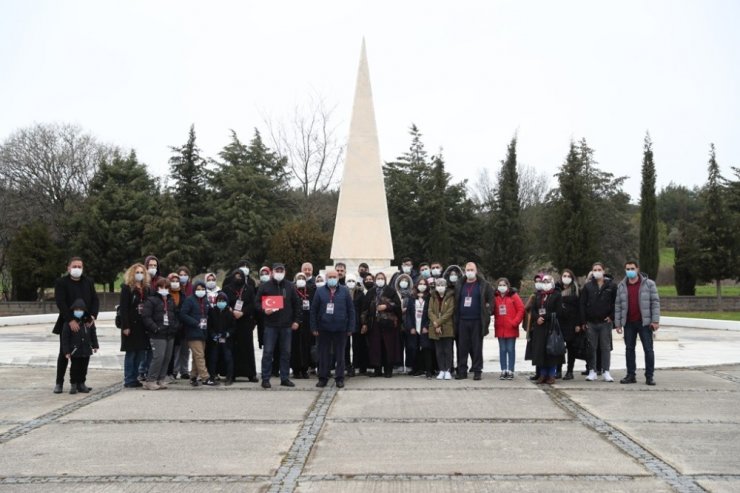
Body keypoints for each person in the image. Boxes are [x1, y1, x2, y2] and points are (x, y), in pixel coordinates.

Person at [53, 257, 100, 394]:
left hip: (85, 322)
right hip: (67, 322)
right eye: (74, 266)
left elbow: (95, 300)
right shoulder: (61, 282)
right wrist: (70, 320)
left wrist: (92, 316)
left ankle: (80, 382)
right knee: (64, 352)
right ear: (68, 268)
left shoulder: (88, 282)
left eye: (80, 266)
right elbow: (60, 302)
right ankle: (59, 382)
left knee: (84, 354)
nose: (77, 269)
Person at [255, 263, 302, 388]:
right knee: (268, 352)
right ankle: (265, 378)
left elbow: (297, 304)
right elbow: (257, 303)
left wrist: (296, 320)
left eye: (281, 270)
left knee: (286, 353)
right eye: (277, 270)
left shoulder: (290, 286)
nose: (279, 272)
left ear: (285, 272)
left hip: (286, 325)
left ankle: (285, 378)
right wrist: (264, 310)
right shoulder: (265, 286)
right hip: (270, 325)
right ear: (272, 272)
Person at [615, 260, 660, 386]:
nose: (630, 271)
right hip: (629, 323)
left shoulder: (649, 284)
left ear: (638, 269)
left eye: (632, 268)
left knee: (648, 350)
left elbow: (655, 303)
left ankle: (649, 376)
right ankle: (630, 375)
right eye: (627, 269)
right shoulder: (621, 286)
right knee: (629, 349)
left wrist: (655, 320)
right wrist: (618, 323)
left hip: (645, 323)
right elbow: (618, 305)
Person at [311, 269, 356, 388]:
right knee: (323, 355)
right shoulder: (319, 291)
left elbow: (351, 310)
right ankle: (323, 378)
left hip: (341, 328)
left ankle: (340, 378)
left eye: (334, 277)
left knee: (340, 355)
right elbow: (314, 310)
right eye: (330, 277)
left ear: (338, 278)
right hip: (323, 328)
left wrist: (351, 327)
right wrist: (314, 327)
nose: (332, 279)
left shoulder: (345, 291)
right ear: (326, 278)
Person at [454, 262, 494, 380]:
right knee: (462, 347)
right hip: (462, 321)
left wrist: (488, 311)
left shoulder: (484, 285)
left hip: (477, 321)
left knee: (477, 347)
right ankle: (462, 371)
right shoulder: (459, 284)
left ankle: (477, 370)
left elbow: (491, 300)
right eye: (467, 269)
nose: (469, 272)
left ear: (476, 271)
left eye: (472, 269)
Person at [580, 262, 617, 382]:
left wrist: (612, 316)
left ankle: (606, 371)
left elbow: (616, 303)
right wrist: (583, 320)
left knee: (605, 347)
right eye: (594, 269)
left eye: (599, 269)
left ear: (603, 271)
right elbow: (582, 304)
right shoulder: (588, 286)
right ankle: (592, 371)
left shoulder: (611, 286)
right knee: (591, 347)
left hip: (605, 322)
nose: (597, 271)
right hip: (591, 322)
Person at [141, 278, 179, 390]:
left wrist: (175, 327)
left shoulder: (171, 300)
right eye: (162, 287)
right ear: (157, 288)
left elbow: (176, 315)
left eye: (166, 287)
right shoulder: (151, 300)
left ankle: (160, 379)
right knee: (159, 357)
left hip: (169, 333)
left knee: (167, 357)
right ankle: (150, 380)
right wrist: (155, 328)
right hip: (157, 334)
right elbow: (146, 317)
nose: (164, 289)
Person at [361, 272, 402, 377]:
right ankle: (377, 369)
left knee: (388, 347)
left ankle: (388, 370)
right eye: (378, 278)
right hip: (374, 324)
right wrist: (364, 323)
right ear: (375, 280)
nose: (380, 280)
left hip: (388, 324)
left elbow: (397, 305)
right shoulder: (371, 292)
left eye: (382, 278)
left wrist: (387, 306)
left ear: (385, 279)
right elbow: (365, 309)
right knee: (375, 347)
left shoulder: (391, 291)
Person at [223, 268, 259, 383]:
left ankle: (250, 374)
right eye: (236, 276)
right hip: (231, 321)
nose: (238, 278)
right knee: (232, 348)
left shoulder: (249, 289)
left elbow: (253, 304)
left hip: (245, 322)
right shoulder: (227, 289)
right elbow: (224, 302)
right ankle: (231, 374)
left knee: (247, 348)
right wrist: (231, 311)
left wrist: (242, 312)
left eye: (240, 276)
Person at [119, 263, 151, 388]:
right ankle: (129, 379)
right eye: (137, 272)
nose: (139, 275)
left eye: (142, 272)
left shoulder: (146, 289)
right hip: (131, 326)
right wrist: (125, 326)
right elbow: (124, 309)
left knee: (141, 353)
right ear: (132, 274)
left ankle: (135, 377)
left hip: (143, 327)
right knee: (131, 353)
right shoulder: (127, 288)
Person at [529, 274, 563, 384]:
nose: (546, 284)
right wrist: (537, 318)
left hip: (551, 326)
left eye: (548, 281)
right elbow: (533, 309)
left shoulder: (557, 295)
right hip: (539, 327)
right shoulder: (539, 295)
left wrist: (545, 317)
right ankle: (542, 374)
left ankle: (551, 375)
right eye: (544, 282)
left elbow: (558, 311)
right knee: (540, 351)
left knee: (551, 351)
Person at [61, 299, 99, 394]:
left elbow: (93, 333)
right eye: (76, 309)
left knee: (84, 368)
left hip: (86, 349)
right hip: (75, 350)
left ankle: (82, 383)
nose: (79, 311)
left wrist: (95, 345)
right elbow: (65, 339)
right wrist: (66, 351)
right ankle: (73, 384)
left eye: (81, 309)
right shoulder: (69, 323)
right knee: (75, 368)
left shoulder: (88, 322)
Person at [179, 281, 211, 386]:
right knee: (199, 355)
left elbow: (208, 314)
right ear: (194, 290)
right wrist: (194, 322)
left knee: (196, 356)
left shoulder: (206, 301)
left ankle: (193, 377)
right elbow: (183, 314)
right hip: (193, 332)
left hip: (203, 332)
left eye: (203, 289)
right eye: (198, 289)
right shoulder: (189, 300)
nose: (201, 291)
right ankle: (205, 377)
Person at [493, 278, 525, 380]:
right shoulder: (495, 297)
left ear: (507, 286)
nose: (502, 286)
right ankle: (503, 370)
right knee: (502, 350)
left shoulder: (513, 296)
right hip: (500, 328)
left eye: (504, 284)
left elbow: (521, 309)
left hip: (511, 327)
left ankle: (510, 370)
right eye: (500, 284)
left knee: (510, 349)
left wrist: (515, 322)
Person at [557, 269, 581, 380]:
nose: (566, 277)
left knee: (571, 348)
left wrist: (578, 324)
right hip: (559, 322)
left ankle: (570, 371)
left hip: (572, 323)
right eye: (564, 275)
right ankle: (558, 370)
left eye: (568, 276)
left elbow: (579, 308)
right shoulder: (557, 290)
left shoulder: (575, 290)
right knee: (558, 348)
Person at [429, 278, 455, 380]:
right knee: (439, 351)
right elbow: (430, 311)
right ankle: (441, 370)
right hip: (435, 327)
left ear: (445, 286)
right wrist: (436, 323)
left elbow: (450, 312)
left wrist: (438, 322)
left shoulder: (450, 297)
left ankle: (448, 370)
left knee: (447, 350)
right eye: (438, 285)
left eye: (442, 285)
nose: (440, 287)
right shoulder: (433, 297)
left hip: (447, 326)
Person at [406, 277, 432, 378]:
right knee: (414, 348)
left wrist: (427, 326)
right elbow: (408, 313)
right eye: (420, 284)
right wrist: (411, 327)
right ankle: (417, 369)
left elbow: (431, 312)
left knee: (426, 348)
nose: (422, 286)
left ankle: (428, 370)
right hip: (414, 326)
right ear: (416, 285)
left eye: (424, 284)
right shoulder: (412, 297)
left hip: (425, 327)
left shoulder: (430, 297)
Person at [207, 291, 235, 386]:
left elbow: (233, 327)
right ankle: (212, 376)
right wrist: (213, 335)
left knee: (228, 358)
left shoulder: (230, 313)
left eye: (223, 300)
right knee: (213, 358)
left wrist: (227, 334)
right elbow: (209, 326)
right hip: (215, 339)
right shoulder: (212, 311)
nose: (221, 302)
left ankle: (229, 377)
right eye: (219, 300)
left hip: (226, 339)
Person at [292, 272, 314, 379]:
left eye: (303, 278)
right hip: (295, 322)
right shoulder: (292, 290)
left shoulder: (310, 290)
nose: (301, 279)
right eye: (299, 277)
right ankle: (296, 370)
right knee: (295, 346)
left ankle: (305, 369)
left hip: (307, 322)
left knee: (306, 346)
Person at [166, 272, 188, 382]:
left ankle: (181, 371)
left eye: (176, 281)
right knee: (171, 351)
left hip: (181, 327)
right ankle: (171, 371)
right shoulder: (166, 294)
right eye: (172, 281)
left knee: (182, 350)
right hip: (169, 327)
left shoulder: (183, 295)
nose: (175, 283)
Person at [524, 273, 544, 381]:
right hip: (534, 326)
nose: (538, 283)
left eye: (540, 281)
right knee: (536, 350)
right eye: (536, 281)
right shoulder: (534, 295)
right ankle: (538, 372)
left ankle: (545, 373)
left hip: (545, 325)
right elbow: (527, 309)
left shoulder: (548, 295)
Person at [394, 272, 414, 373]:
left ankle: (410, 365)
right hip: (397, 323)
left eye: (406, 281)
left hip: (409, 323)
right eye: (402, 280)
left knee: (410, 345)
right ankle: (398, 365)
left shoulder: (412, 294)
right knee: (398, 345)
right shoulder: (394, 294)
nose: (404, 282)